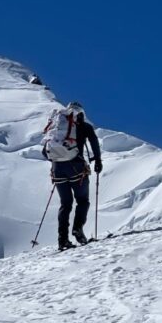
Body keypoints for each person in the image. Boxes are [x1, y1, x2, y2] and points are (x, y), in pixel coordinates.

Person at [49, 101, 102, 250]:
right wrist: (97, 160)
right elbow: (94, 143)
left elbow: (45, 151)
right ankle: (78, 229)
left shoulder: (57, 128)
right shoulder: (85, 127)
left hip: (57, 169)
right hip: (76, 168)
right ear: (81, 113)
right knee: (83, 201)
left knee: (65, 204)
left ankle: (62, 239)